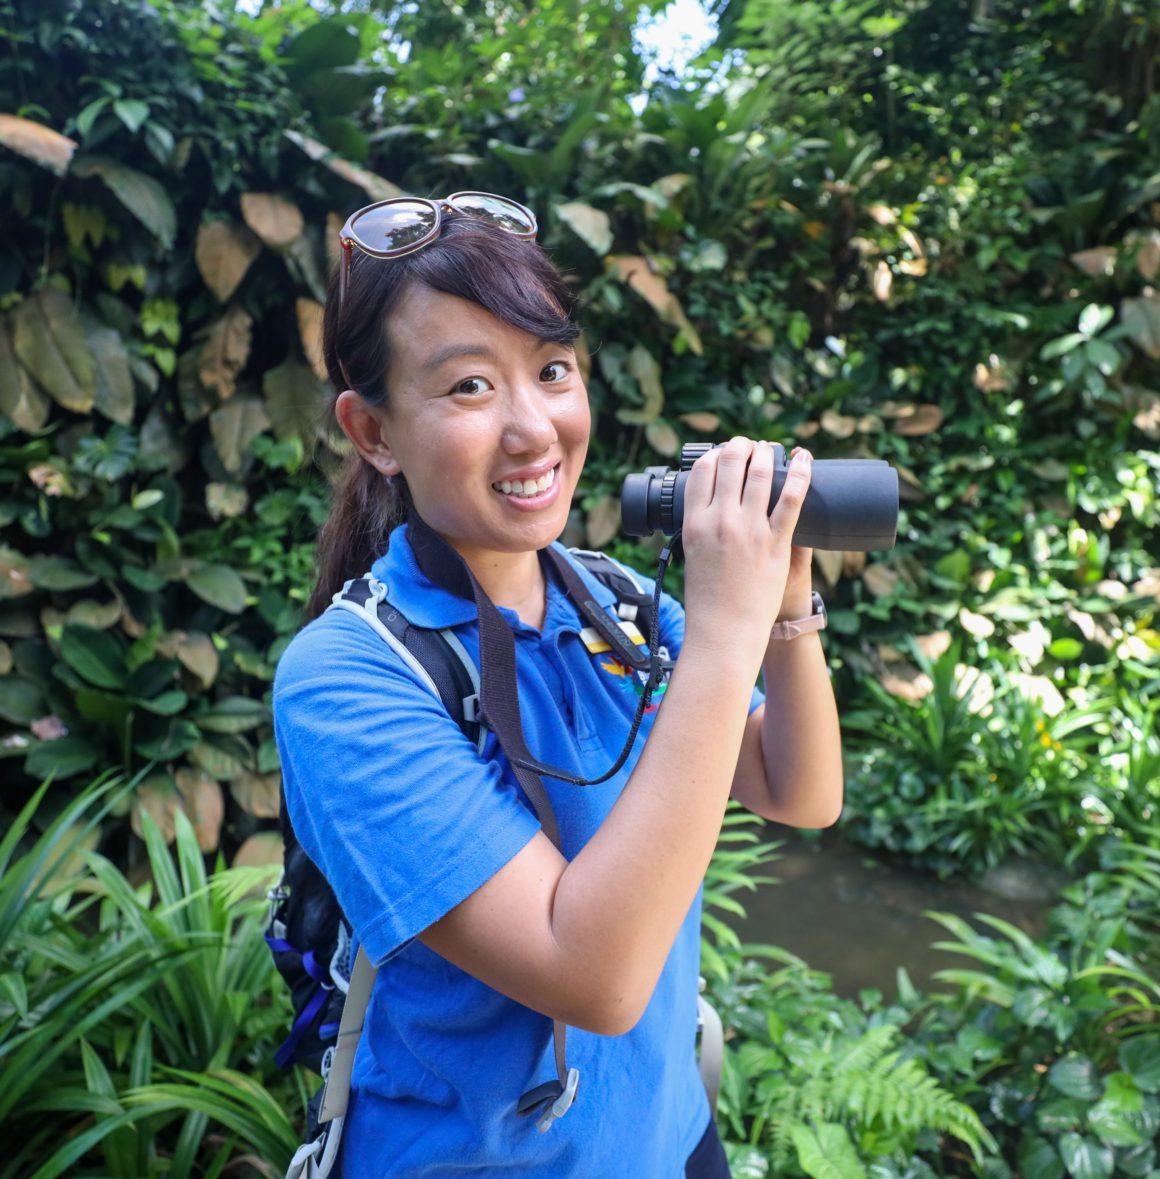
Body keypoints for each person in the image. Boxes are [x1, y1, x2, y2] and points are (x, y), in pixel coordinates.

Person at [272, 193, 844, 1178]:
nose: (533, 428)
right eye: (467, 388)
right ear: (372, 430)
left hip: (668, 1143)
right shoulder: (345, 680)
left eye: (550, 370)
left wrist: (783, 609)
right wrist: (721, 630)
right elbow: (597, 979)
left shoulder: (614, 602)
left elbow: (799, 791)